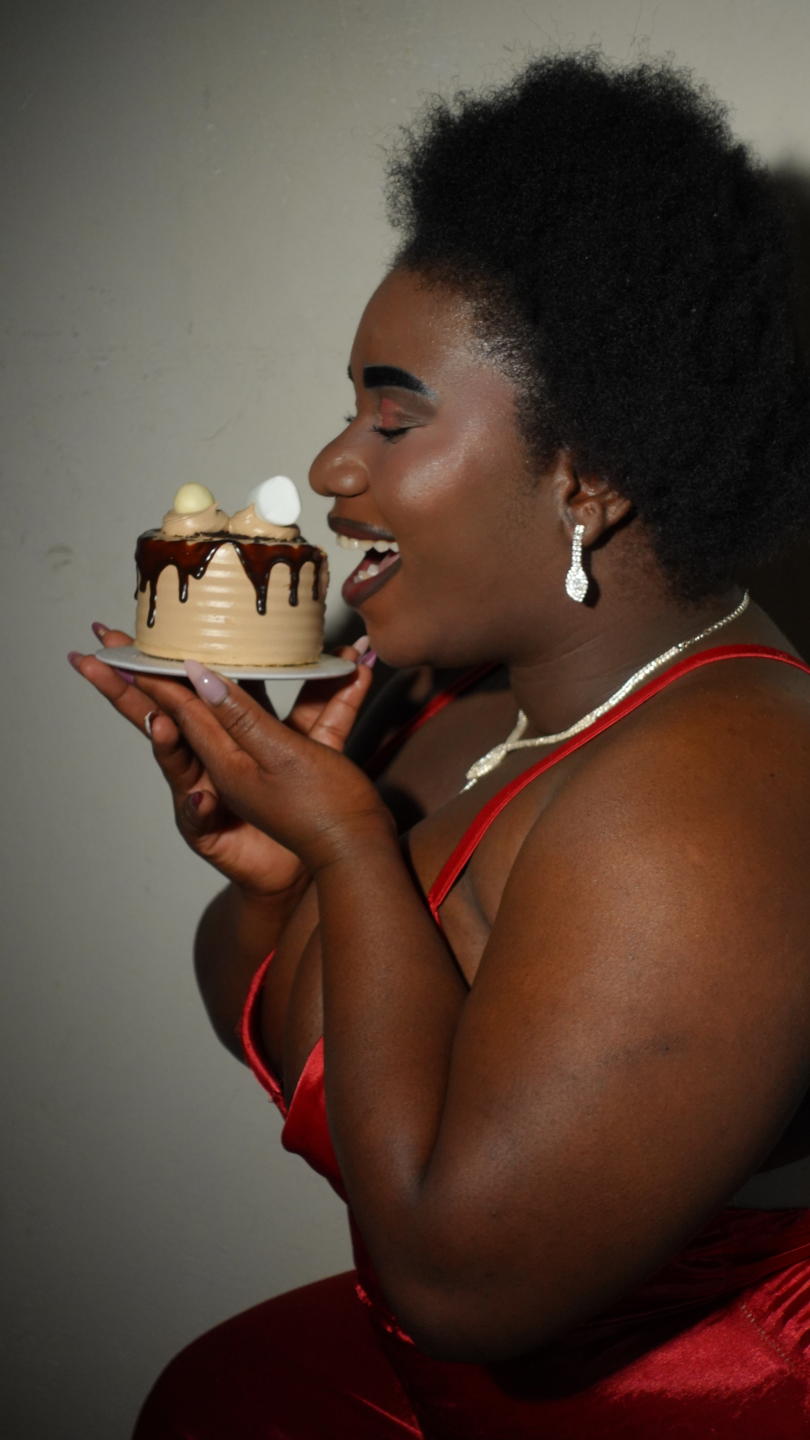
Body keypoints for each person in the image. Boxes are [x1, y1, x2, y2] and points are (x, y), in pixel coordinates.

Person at [70, 52, 810, 1438]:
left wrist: (350, 851)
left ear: (589, 473)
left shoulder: (719, 796)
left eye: (393, 416)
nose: (334, 465)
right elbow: (279, 1011)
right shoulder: (444, 691)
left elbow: (460, 1283)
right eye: (351, 407)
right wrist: (281, 878)